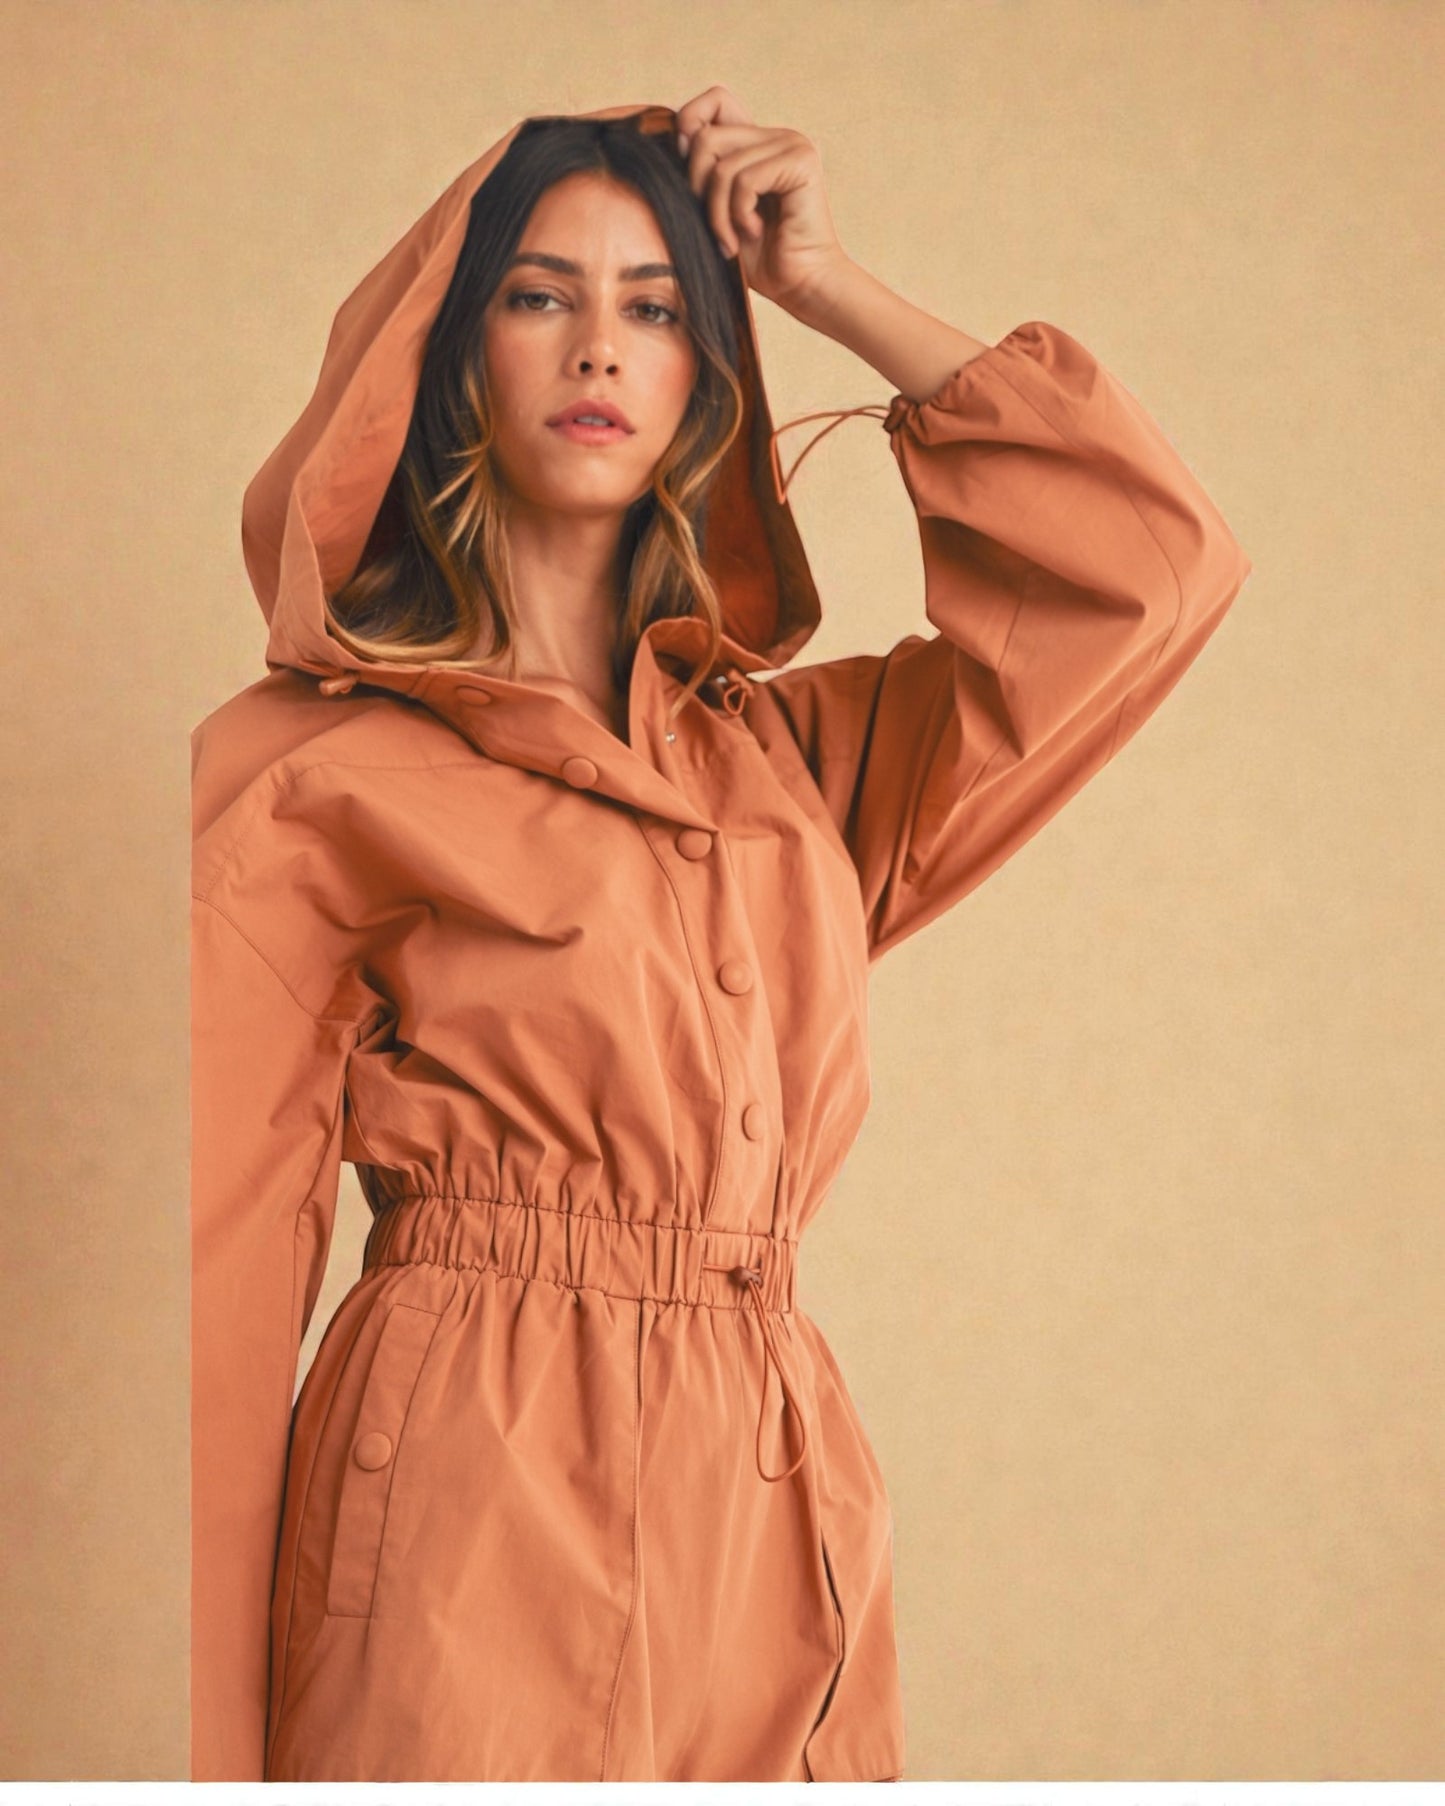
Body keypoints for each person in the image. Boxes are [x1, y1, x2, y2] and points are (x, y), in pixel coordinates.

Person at [190, 86, 1252, 1784]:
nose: (597, 347)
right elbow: (217, 1297)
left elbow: (1147, 574)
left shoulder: (793, 772)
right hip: (461, 1496)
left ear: (707, 374)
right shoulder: (307, 773)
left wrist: (823, 284)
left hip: (764, 1497)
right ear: (453, 355)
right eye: (537, 295)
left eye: (657, 306)